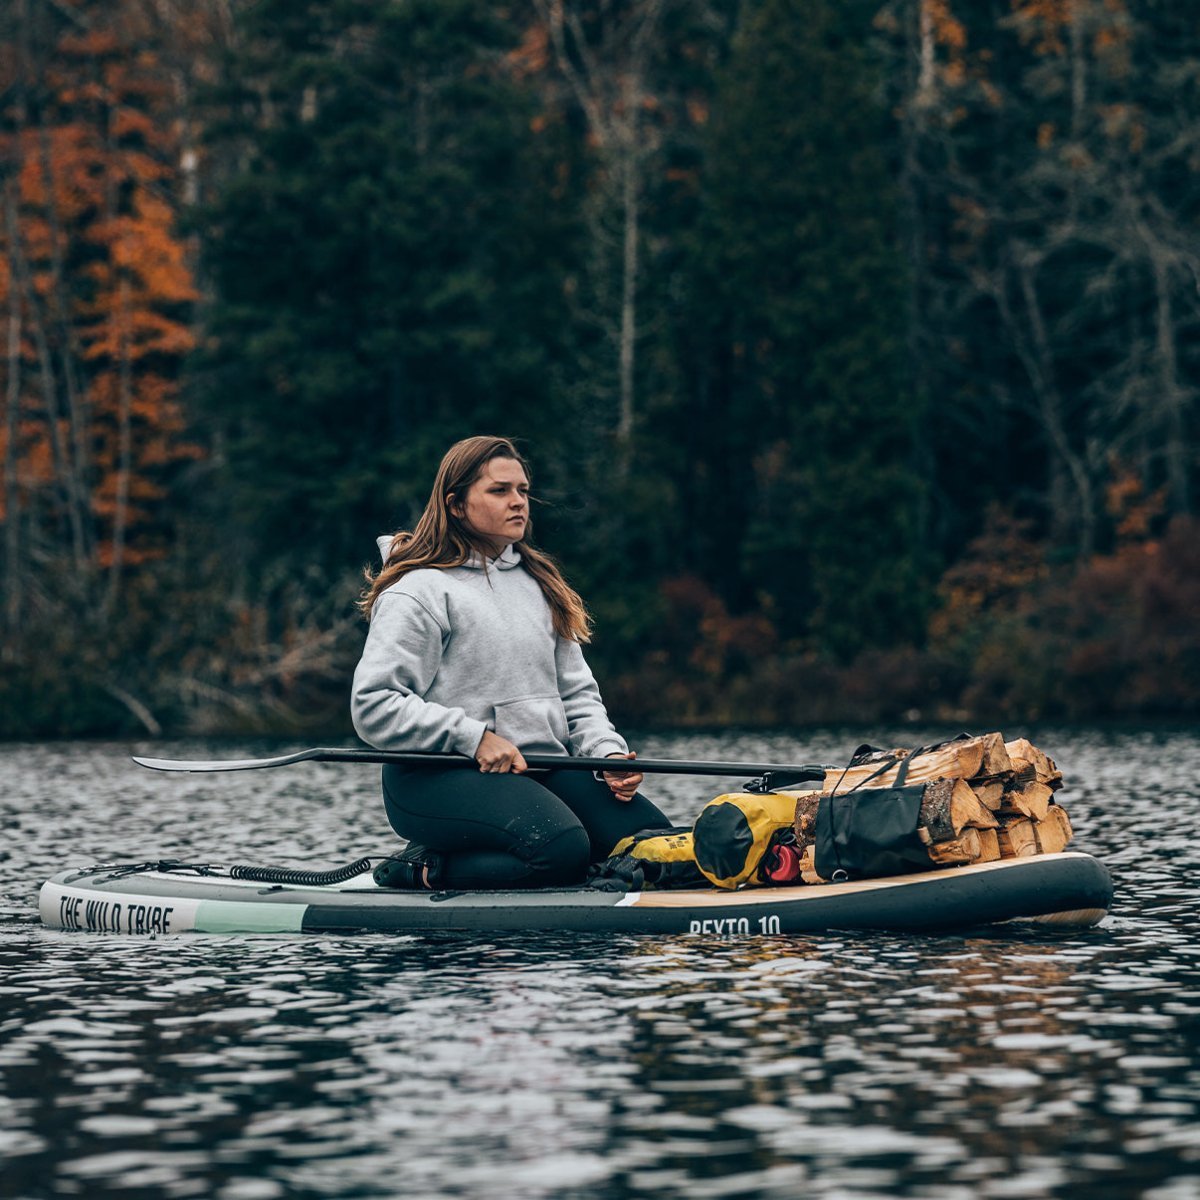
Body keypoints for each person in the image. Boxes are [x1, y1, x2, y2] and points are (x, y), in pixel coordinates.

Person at [352, 435, 672, 889]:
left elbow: (576, 696)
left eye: (522, 490)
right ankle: (418, 868)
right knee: (560, 850)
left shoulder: (539, 583)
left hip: (539, 769)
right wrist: (475, 737)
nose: (518, 502)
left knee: (653, 846)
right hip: (436, 777)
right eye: (499, 491)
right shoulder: (418, 591)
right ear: (457, 505)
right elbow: (374, 704)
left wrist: (608, 754)